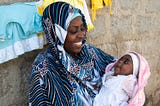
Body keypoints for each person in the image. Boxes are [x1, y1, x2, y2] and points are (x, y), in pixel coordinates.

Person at [28, 2, 115, 106]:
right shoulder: (44, 68)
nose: (81, 34)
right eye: (73, 30)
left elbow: (123, 68)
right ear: (55, 33)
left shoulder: (92, 53)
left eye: (82, 28)